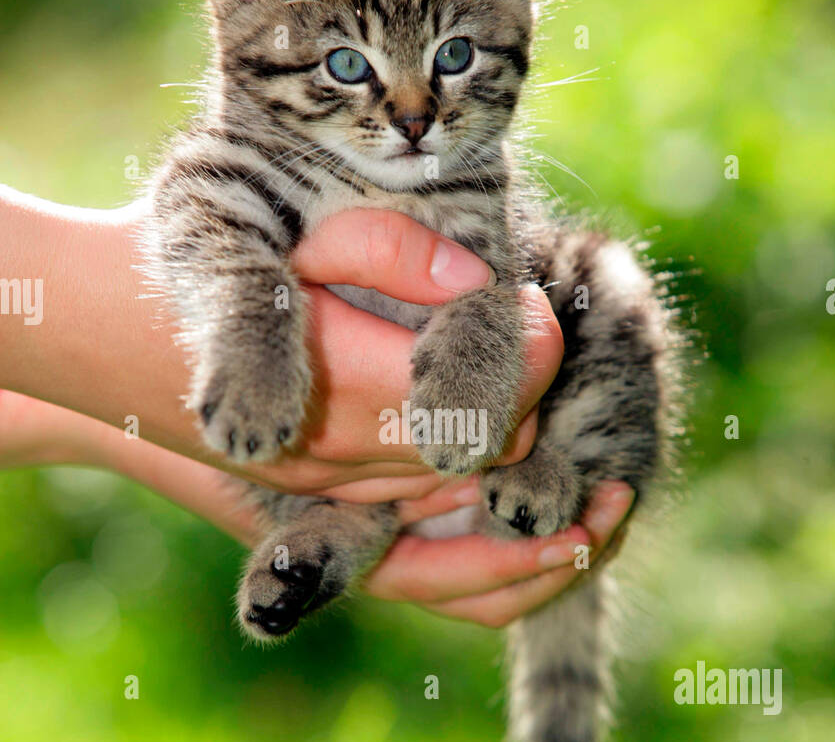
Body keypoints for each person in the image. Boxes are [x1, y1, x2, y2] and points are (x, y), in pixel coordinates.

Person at [0, 187, 634, 626]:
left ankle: (377, 513)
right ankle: (343, 527)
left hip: (537, 440)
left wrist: (112, 408)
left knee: (595, 279)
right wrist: (113, 330)